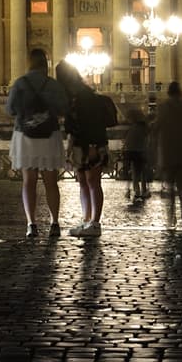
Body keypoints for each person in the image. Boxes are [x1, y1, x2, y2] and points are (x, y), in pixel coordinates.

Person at [6, 49, 69, 237]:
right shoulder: (53, 84)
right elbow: (64, 108)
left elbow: (10, 109)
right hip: (49, 135)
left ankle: (31, 224)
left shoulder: (20, 83)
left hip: (25, 135)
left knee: (29, 182)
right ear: (45, 64)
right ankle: (55, 222)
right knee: (51, 182)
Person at [59, 61, 118, 236]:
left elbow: (73, 127)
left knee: (89, 183)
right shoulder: (87, 95)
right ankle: (88, 222)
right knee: (87, 184)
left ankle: (94, 223)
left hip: (88, 144)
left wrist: (70, 149)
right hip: (92, 143)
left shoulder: (76, 99)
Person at [150, 80, 182, 224]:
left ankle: (171, 216)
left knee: (170, 185)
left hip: (168, 151)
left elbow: (156, 127)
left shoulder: (163, 106)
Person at [120, 107, 151, 204]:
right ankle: (143, 190)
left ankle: (136, 190)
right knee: (141, 172)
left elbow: (128, 140)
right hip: (140, 151)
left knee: (134, 172)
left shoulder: (133, 128)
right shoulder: (144, 127)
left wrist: (124, 148)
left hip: (131, 151)